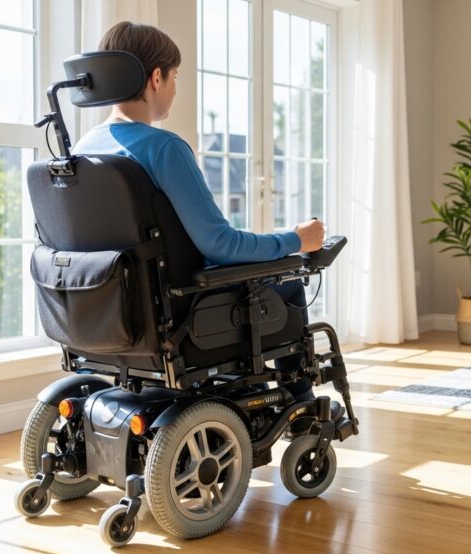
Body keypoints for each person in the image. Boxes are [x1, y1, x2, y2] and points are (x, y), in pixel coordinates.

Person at [72, 22, 323, 403]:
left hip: (109, 315)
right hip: (180, 315)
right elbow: (221, 245)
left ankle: (250, 392)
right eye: (175, 77)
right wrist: (296, 239)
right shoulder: (163, 148)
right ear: (156, 78)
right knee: (287, 282)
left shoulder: (81, 151)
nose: (175, 88)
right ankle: (300, 403)